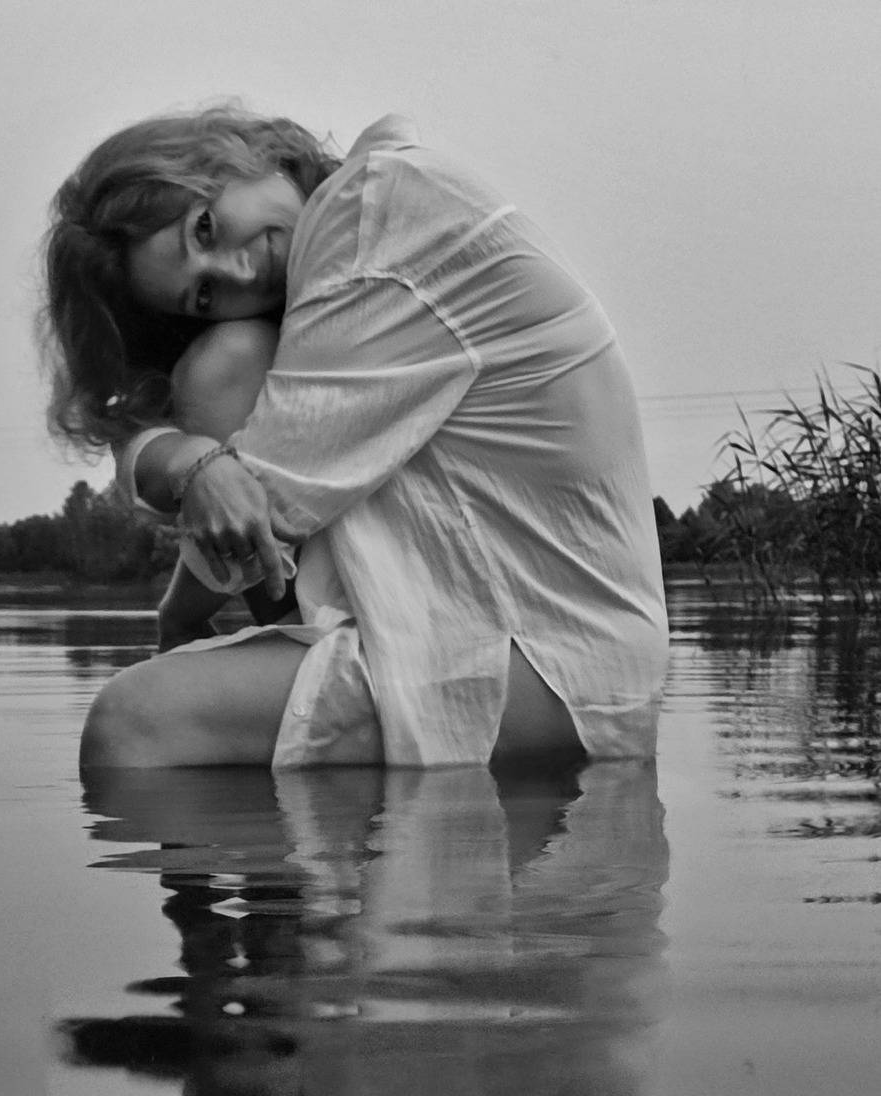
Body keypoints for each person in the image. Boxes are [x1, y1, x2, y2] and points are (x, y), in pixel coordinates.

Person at [40, 107, 669, 769]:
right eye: (203, 293)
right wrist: (186, 460)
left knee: (133, 722)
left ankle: (287, 822)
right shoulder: (351, 224)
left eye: (206, 227)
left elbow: (262, 500)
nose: (239, 272)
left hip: (549, 660)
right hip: (503, 630)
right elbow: (200, 462)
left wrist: (180, 606)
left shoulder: (369, 225)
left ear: (229, 155)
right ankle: (302, 822)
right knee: (227, 362)